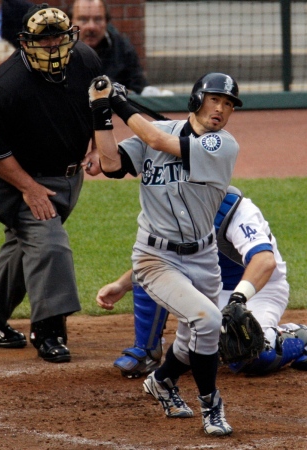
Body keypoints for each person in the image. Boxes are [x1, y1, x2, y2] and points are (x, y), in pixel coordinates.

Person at [88, 71, 243, 436]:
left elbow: (154, 136)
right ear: (196, 99)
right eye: (214, 99)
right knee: (206, 319)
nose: (220, 109)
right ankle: (211, 406)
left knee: (196, 341)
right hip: (155, 258)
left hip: (203, 257)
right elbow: (110, 164)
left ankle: (161, 382)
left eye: (228, 104)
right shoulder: (155, 134)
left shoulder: (223, 145)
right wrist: (100, 112)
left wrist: (118, 102)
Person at [0, 3, 102, 363]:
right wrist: (29, 188)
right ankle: (48, 329)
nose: (52, 44)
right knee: (49, 245)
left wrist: (94, 146)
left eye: (58, 36)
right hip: (15, 179)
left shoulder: (86, 60)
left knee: (21, 248)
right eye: (42, 39)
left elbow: (98, 107)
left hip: (67, 177)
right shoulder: (3, 86)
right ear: (25, 42)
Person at [96, 186, 307, 378]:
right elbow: (158, 260)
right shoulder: (173, 210)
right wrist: (122, 284)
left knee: (253, 353)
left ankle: (299, 336)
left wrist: (238, 298)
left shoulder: (236, 210)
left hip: (258, 290)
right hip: (209, 289)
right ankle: (146, 351)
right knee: (152, 274)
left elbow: (265, 261)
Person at [71, 0, 172, 96]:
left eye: (98, 19)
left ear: (106, 21)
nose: (91, 27)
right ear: (71, 22)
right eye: (83, 19)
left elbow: (139, 87)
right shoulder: (59, 48)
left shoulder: (122, 49)